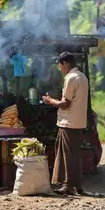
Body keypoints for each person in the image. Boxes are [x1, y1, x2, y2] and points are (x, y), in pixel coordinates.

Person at [42, 51, 88, 195]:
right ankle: (77, 185)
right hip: (77, 122)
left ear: (65, 63)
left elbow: (65, 103)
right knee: (74, 154)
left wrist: (50, 101)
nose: (60, 69)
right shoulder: (82, 76)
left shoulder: (71, 78)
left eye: (60, 66)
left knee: (67, 155)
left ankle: (68, 186)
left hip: (69, 122)